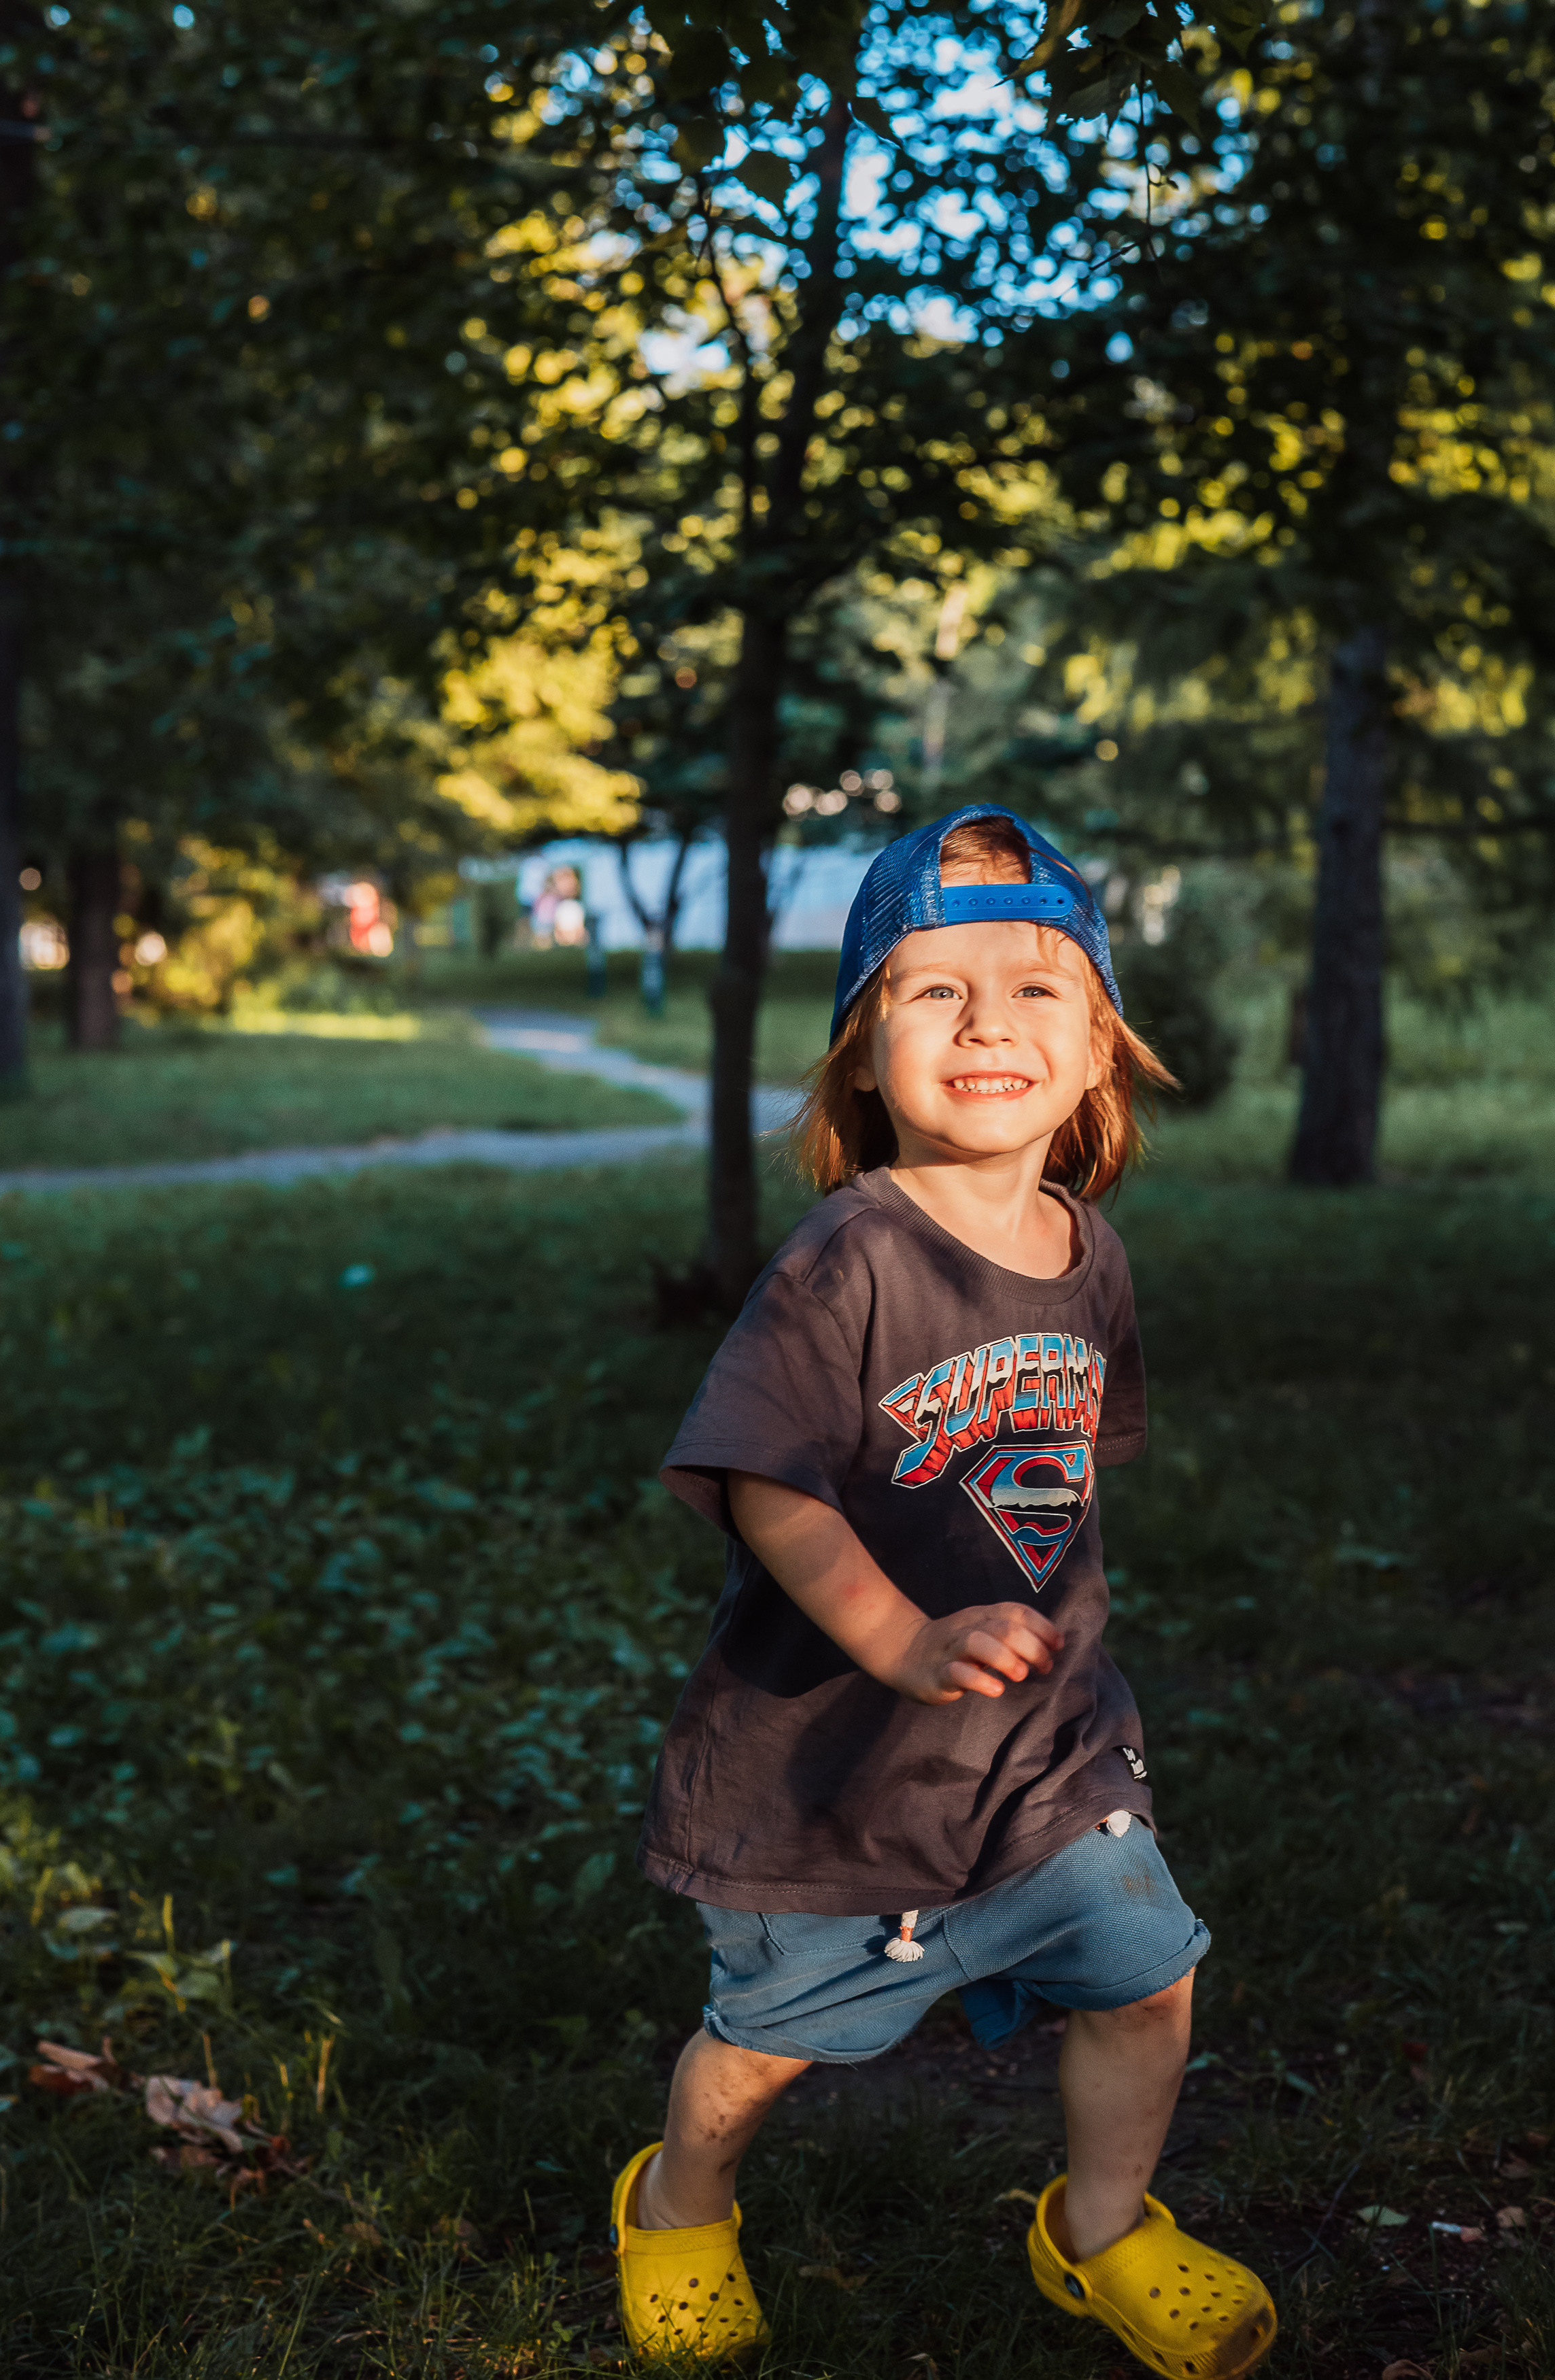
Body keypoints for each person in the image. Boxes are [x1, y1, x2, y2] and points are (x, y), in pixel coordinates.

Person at [609, 805, 1277, 2379]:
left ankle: (1101, 2229)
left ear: (1101, 1049)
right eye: (932, 991)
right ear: (860, 1055)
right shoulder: (846, 1256)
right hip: (825, 1774)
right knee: (762, 2052)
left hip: (1043, 1748)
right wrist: (904, 1634)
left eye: (1036, 987)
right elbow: (767, 1481)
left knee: (1146, 1970)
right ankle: (675, 2201)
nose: (987, 1021)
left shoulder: (1086, 1251)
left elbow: (1064, 1463)